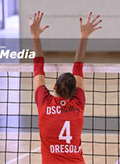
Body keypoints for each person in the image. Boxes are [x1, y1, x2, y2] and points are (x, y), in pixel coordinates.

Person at [30, 11, 102, 164]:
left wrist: (35, 35)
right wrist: (84, 35)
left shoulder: (45, 103)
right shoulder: (78, 104)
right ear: (76, 91)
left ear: (54, 86)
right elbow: (78, 67)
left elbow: (38, 66)